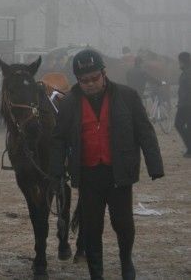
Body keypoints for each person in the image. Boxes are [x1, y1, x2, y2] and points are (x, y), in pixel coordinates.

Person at [48, 49, 164, 280]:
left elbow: (145, 132)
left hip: (119, 172)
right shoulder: (70, 103)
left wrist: (155, 165)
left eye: (94, 78)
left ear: (103, 73)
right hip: (88, 173)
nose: (90, 84)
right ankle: (96, 272)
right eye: (83, 80)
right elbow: (58, 138)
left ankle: (125, 261)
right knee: (91, 227)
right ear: (77, 80)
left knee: (123, 223)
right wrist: (56, 171)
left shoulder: (127, 96)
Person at [176, 51, 191, 158]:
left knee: (178, 124)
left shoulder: (187, 73)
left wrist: (182, 101)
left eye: (179, 62)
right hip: (185, 103)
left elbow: (187, 90)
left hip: (186, 104)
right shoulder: (186, 71)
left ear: (183, 61)